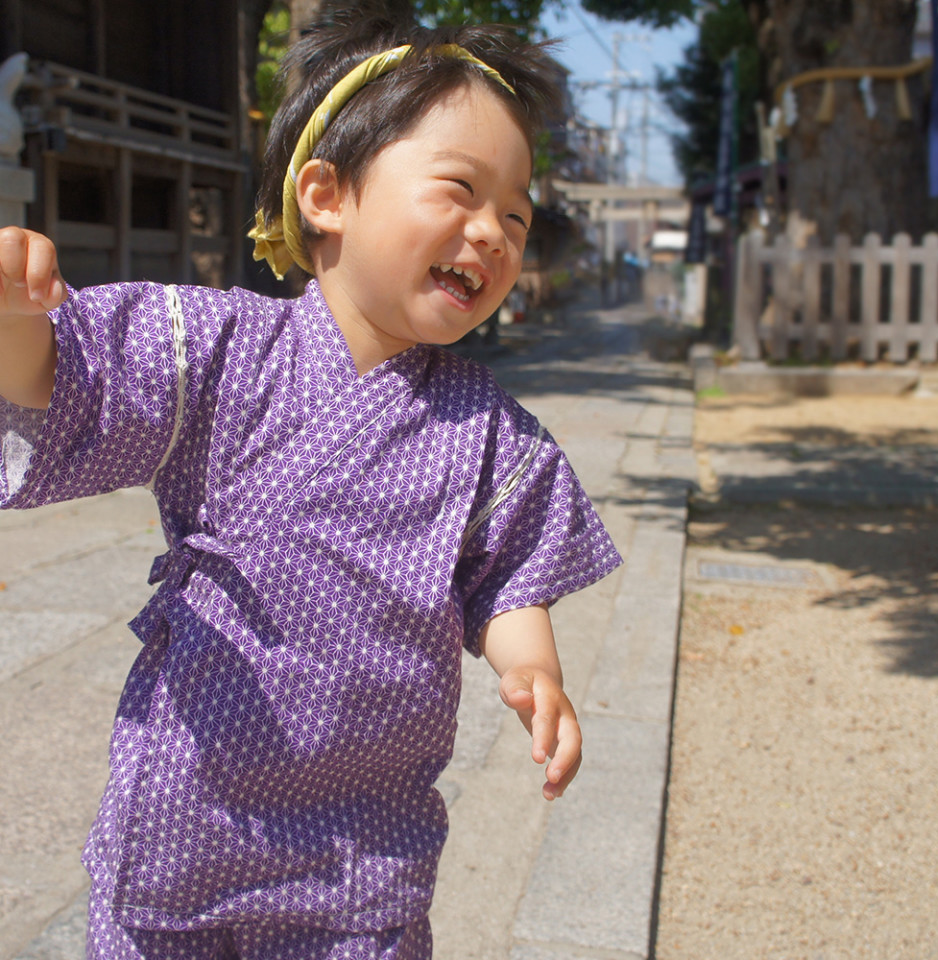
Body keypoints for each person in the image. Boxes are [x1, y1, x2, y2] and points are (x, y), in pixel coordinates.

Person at [0, 4, 621, 958]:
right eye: (459, 189)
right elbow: (71, 384)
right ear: (325, 195)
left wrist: (531, 667)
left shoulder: (490, 433)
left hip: (361, 847)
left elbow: (508, 575)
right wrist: (16, 321)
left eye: (514, 217)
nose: (491, 232)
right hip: (190, 811)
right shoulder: (223, 353)